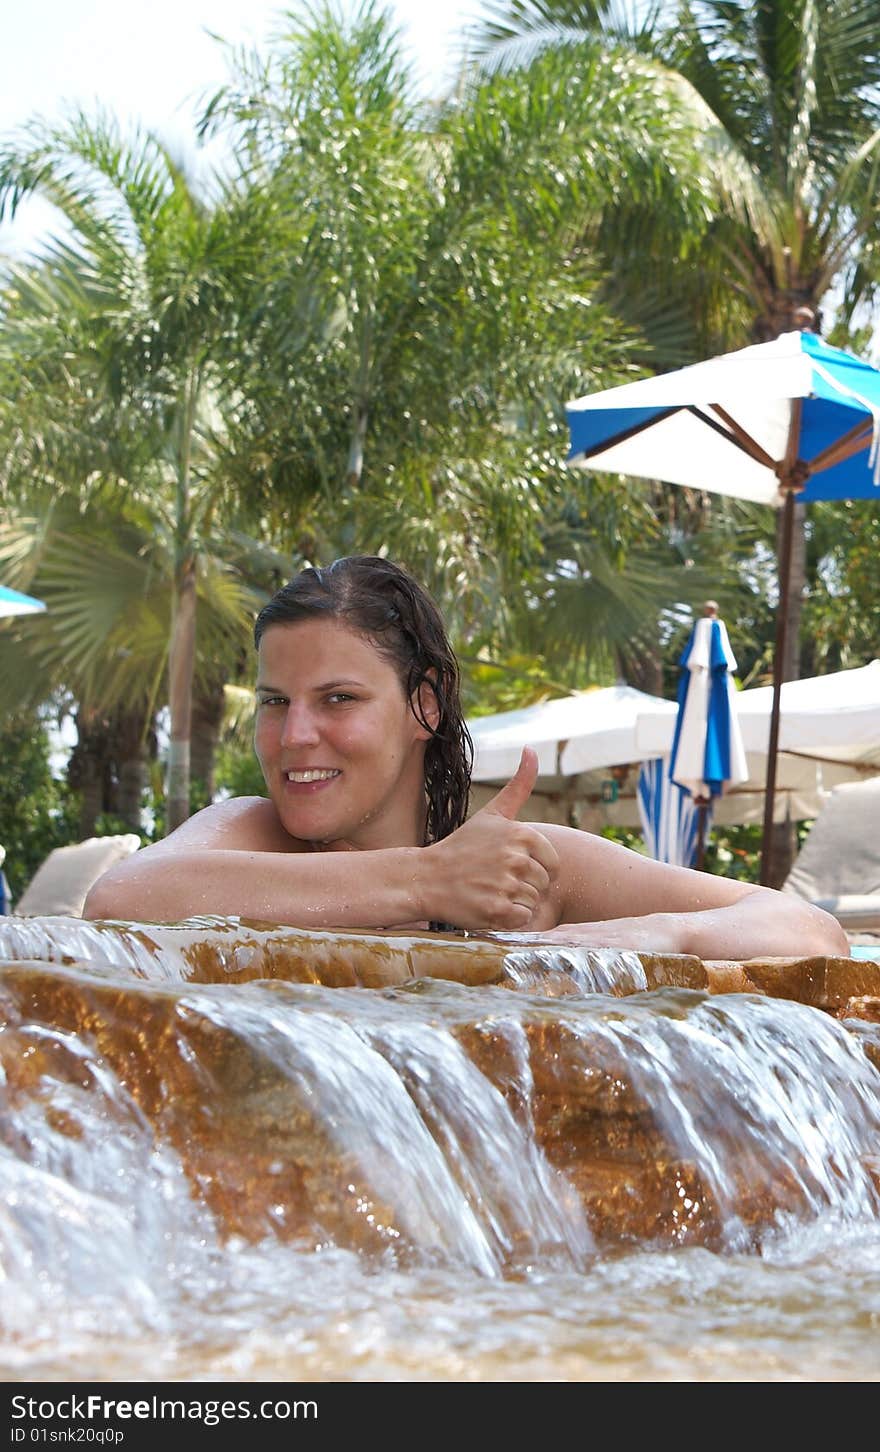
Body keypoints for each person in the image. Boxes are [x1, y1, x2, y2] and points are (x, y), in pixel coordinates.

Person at [83, 555, 848, 958]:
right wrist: (428, 883)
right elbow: (119, 900)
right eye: (277, 701)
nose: (293, 737)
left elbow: (808, 930)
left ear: (427, 702)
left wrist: (661, 935)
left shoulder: (529, 871)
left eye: (338, 699)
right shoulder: (251, 836)